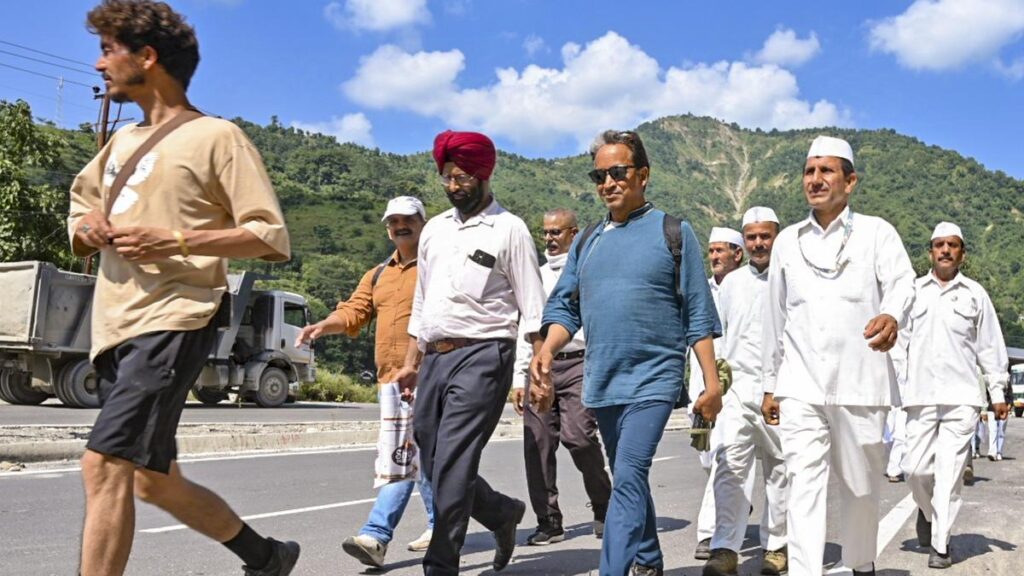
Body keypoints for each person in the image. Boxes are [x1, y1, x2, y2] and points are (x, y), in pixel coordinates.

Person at [68, 1, 295, 574]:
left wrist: (176, 240)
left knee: (104, 465)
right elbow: (81, 209)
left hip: (176, 318)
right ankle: (264, 556)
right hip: (116, 324)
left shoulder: (218, 137)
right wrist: (88, 226)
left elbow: (269, 235)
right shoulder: (119, 145)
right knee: (154, 480)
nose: (99, 65)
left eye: (109, 50)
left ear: (147, 57)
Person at [535, 129, 723, 576]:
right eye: (599, 175)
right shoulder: (587, 241)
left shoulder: (673, 232)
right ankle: (650, 560)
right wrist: (547, 349)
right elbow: (566, 306)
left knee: (630, 474)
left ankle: (613, 570)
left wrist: (712, 383)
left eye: (617, 172)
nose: (608, 183)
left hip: (654, 379)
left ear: (643, 175)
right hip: (602, 380)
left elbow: (698, 312)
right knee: (628, 476)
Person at [394, 130, 548, 576]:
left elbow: (532, 307)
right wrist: (411, 359)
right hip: (436, 356)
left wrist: (536, 371)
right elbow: (422, 302)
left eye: (461, 177)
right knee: (434, 455)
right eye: (446, 177)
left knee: (456, 458)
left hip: (485, 355)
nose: (453, 185)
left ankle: (440, 564)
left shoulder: (509, 229)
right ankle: (501, 513)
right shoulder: (435, 231)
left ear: (482, 175)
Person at [761, 136, 915, 576]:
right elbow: (777, 318)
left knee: (861, 487)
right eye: (809, 171)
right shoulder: (788, 241)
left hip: (861, 382)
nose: (815, 179)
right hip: (801, 385)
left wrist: (891, 313)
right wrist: (772, 385)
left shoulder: (877, 232)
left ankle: (860, 562)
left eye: (826, 171)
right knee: (802, 485)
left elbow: (903, 282)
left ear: (850, 181)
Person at [295, 196, 434, 568]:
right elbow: (355, 310)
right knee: (424, 458)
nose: (400, 227)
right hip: (390, 379)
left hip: (430, 373)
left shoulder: (438, 266)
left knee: (405, 457)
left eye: (408, 220)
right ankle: (484, 514)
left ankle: (375, 535)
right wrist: (324, 325)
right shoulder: (378, 274)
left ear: (423, 223)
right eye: (393, 222)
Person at [900, 222, 1009, 569]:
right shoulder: (912, 292)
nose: (945, 250)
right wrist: (897, 385)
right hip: (920, 396)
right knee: (914, 470)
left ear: (962, 252)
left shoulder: (975, 294)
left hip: (962, 398)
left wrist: (997, 392)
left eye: (953, 245)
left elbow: (990, 345)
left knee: (948, 474)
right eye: (939, 245)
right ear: (930, 251)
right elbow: (897, 345)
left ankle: (940, 546)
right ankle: (927, 511)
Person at [512, 209, 612, 545]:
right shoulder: (534, 275)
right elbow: (525, 327)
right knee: (536, 443)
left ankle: (603, 505)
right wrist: (518, 377)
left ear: (573, 233)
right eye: (546, 233)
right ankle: (549, 521)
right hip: (540, 366)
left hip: (580, 362)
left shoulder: (588, 271)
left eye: (557, 232)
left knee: (579, 437)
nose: (550, 239)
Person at [702, 207, 788, 576]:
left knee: (782, 470)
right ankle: (724, 548)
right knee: (729, 467)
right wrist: (711, 388)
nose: (757, 243)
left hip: (783, 392)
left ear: (776, 237)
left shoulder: (791, 278)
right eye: (751, 237)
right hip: (736, 391)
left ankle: (777, 546)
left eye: (764, 236)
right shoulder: (730, 285)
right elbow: (716, 339)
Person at [692, 226, 751, 561]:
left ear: (737, 254)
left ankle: (710, 533)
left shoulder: (749, 287)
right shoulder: (701, 289)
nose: (714, 257)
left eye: (721, 251)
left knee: (722, 455)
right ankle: (734, 501)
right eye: (711, 251)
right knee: (707, 457)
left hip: (736, 386)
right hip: (700, 384)